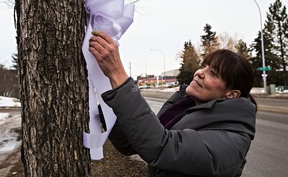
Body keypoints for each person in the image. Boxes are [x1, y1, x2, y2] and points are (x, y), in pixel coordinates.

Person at [89, 32, 257, 177]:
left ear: (231, 94)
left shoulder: (232, 141)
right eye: (203, 66)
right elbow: (135, 143)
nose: (199, 73)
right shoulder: (181, 107)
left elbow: (160, 147)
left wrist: (117, 74)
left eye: (213, 73)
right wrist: (106, 112)